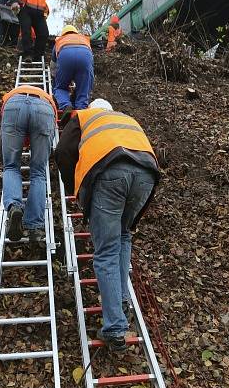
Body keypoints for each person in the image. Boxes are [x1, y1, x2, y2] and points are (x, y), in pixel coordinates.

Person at [55, 99, 160, 352]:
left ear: (93, 108)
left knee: (106, 251)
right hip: (147, 173)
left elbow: (62, 152)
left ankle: (114, 326)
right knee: (123, 236)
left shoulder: (84, 116)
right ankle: (122, 300)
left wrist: (75, 189)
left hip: (111, 172)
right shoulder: (126, 119)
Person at [1, 84, 57, 243]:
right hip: (45, 109)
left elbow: (7, 137)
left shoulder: (9, 96)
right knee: (38, 172)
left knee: (11, 166)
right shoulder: (48, 99)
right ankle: (34, 226)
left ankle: (14, 207)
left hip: (13, 106)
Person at [52, 25, 94, 115]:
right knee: (83, 88)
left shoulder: (59, 40)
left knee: (60, 87)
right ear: (76, 32)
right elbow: (91, 67)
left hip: (65, 56)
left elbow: (53, 65)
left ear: (63, 34)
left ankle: (66, 106)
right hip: (85, 56)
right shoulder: (84, 39)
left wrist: (55, 79)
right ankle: (80, 111)